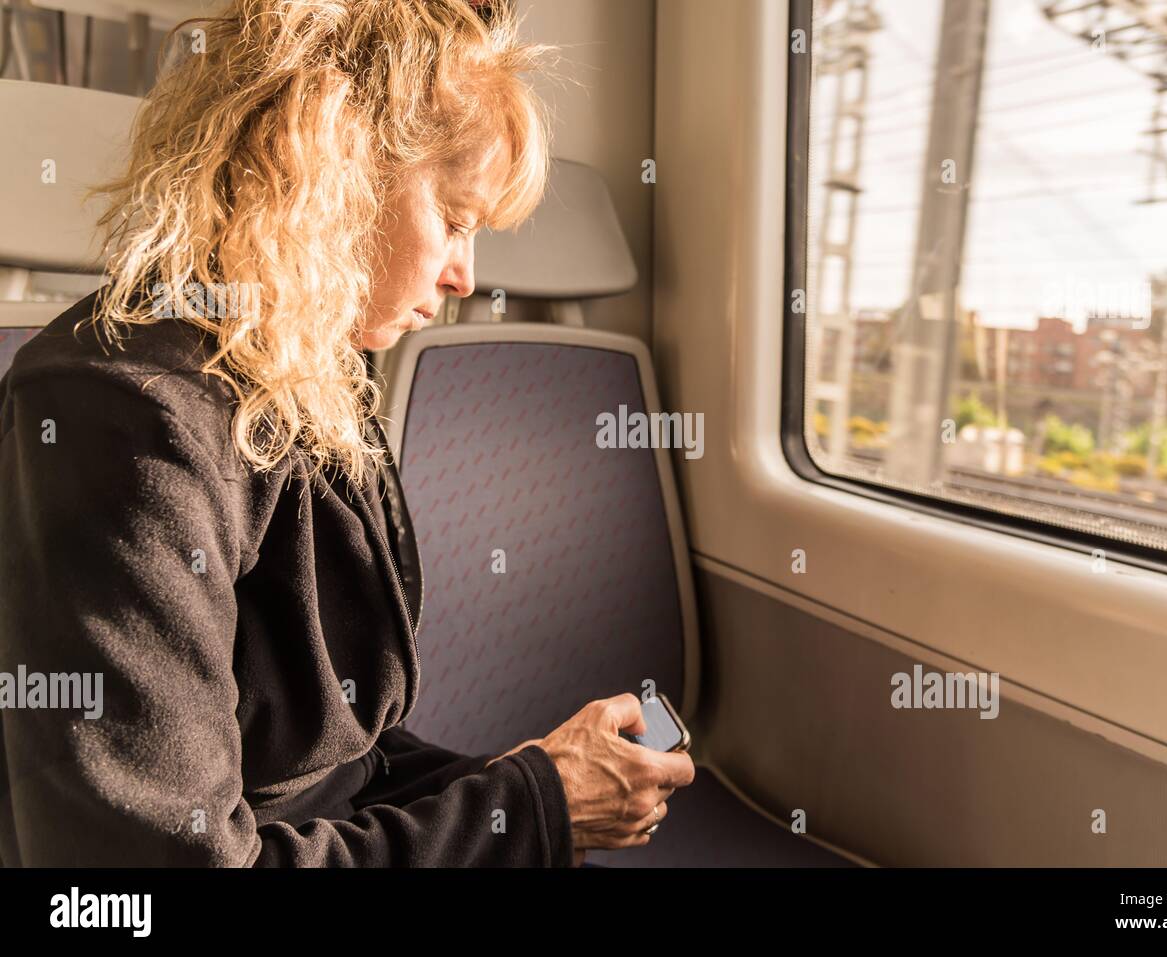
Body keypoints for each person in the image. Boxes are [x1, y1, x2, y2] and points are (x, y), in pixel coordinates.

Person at [0, 0, 693, 867]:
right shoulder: (122, 417)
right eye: (456, 220)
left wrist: (521, 785)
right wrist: (528, 808)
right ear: (339, 173)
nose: (465, 275)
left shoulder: (309, 370)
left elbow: (336, 766)